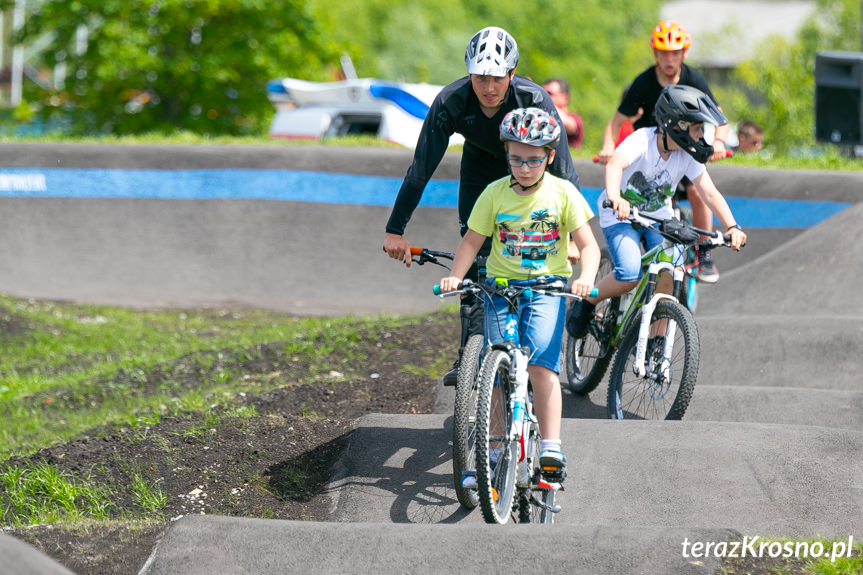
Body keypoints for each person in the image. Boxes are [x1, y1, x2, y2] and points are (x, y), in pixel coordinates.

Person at [383, 26, 582, 385]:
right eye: (479, 78)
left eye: (497, 78)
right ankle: (471, 355)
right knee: (476, 262)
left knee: (533, 244)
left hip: (528, 165)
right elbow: (420, 171)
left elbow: (564, 170)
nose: (489, 89)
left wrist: (570, 237)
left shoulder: (533, 99)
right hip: (479, 167)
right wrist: (395, 229)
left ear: (512, 73)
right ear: (468, 73)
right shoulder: (451, 101)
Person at [439, 107, 600, 482]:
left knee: (543, 367)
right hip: (500, 289)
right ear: (506, 154)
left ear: (548, 156)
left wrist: (585, 277)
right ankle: (493, 454)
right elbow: (470, 242)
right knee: (496, 372)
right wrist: (455, 277)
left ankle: (550, 448)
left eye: (533, 160)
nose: (524, 167)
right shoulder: (494, 194)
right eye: (516, 159)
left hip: (546, 290)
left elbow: (589, 247)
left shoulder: (563, 194)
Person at [567, 85, 747, 341]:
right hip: (620, 216)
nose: (701, 137)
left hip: (658, 219)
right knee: (628, 274)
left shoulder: (687, 154)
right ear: (675, 125)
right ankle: (588, 299)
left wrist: (732, 226)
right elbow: (615, 164)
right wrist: (616, 197)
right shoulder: (643, 140)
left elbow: (710, 193)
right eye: (696, 129)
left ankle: (655, 342)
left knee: (671, 271)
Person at [597, 20, 729, 284]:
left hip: (683, 149)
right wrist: (608, 146)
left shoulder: (694, 79)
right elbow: (617, 120)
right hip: (649, 148)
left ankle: (703, 252)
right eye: (663, 52)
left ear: (684, 54)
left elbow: (719, 119)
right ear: (655, 53)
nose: (669, 59)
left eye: (675, 53)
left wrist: (719, 143)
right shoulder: (644, 82)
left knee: (697, 190)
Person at [542, 78, 585, 148]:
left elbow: (567, 124)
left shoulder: (574, 118)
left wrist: (545, 102)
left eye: (549, 93)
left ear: (565, 98)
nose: (544, 96)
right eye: (543, 92)